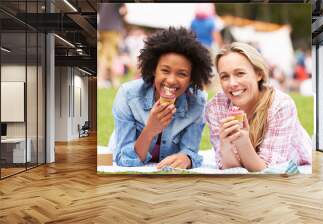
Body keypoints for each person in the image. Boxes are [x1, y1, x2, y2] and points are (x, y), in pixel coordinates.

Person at [113, 27, 213, 169]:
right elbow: (124, 159)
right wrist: (151, 129)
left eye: (182, 74)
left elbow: (190, 151)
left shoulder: (197, 102)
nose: (171, 80)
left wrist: (187, 159)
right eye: (165, 70)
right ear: (154, 69)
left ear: (192, 78)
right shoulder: (128, 95)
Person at [205, 42, 311, 172]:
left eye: (240, 73)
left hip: (297, 163)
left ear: (258, 74)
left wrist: (243, 141)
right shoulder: (216, 107)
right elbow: (231, 170)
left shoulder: (281, 106)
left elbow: (267, 171)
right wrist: (225, 144)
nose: (232, 83)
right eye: (225, 76)